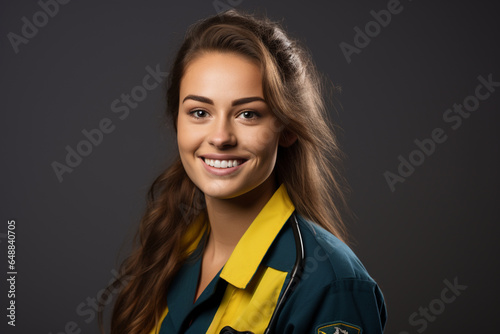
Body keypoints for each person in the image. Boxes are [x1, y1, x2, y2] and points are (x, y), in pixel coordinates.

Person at [99, 9, 387, 334]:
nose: (220, 137)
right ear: (176, 121)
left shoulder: (332, 284)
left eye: (248, 114)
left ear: (287, 127)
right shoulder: (170, 250)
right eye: (199, 112)